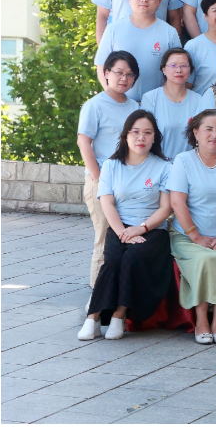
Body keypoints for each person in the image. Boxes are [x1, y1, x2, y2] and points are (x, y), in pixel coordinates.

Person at [82, 109, 176, 339]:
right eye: (135, 132)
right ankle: (93, 318)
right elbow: (107, 203)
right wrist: (124, 232)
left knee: (132, 257)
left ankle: (119, 315)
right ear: (125, 135)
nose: (141, 137)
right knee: (113, 260)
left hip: (152, 229)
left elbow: (166, 208)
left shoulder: (164, 167)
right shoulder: (111, 165)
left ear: (155, 137)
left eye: (147, 132)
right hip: (120, 226)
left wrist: (141, 228)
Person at [75, 52, 144, 294]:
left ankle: (117, 295)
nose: (124, 78)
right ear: (106, 73)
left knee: (124, 239)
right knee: (104, 238)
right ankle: (97, 296)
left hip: (129, 182)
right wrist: (98, 179)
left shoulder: (135, 107)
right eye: (119, 72)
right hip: (102, 181)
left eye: (130, 74)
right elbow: (84, 142)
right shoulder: (94, 105)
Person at [96, 0, 184, 91]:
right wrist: (115, 98)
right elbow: (101, 67)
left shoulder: (170, 33)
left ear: (160, 1)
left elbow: (177, 72)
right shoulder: (113, 30)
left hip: (157, 101)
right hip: (120, 101)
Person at [143, 47, 205, 159]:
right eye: (173, 65)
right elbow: (145, 136)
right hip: (157, 163)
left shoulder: (199, 100)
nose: (179, 70)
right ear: (164, 70)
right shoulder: (150, 98)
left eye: (184, 65)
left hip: (189, 164)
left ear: (190, 70)